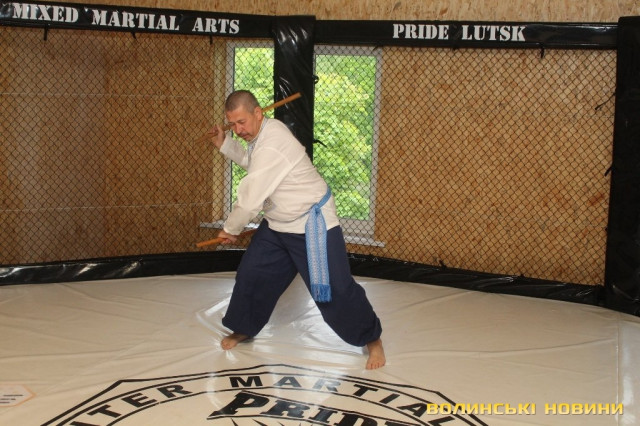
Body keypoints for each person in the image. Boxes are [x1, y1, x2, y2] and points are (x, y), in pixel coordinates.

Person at [207, 90, 385, 370]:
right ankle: (244, 328)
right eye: (232, 125)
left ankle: (372, 339)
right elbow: (255, 164)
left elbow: (251, 198)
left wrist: (230, 229)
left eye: (242, 122)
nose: (238, 130)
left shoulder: (273, 141)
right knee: (253, 275)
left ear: (258, 113)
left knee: (335, 289)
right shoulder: (261, 136)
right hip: (278, 225)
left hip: (311, 224)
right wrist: (225, 144)